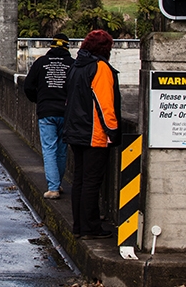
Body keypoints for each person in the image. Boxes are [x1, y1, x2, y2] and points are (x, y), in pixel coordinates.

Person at [63, 29, 120, 239]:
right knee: (91, 182)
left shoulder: (76, 67)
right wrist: (112, 131)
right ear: (105, 49)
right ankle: (91, 227)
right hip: (93, 132)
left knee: (79, 180)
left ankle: (78, 226)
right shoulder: (100, 68)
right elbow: (105, 104)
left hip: (75, 130)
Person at [24, 33, 74, 200]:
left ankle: (53, 188)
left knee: (49, 149)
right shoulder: (72, 65)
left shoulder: (41, 63)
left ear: (51, 46)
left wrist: (39, 100)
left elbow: (28, 86)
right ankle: (57, 183)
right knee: (61, 149)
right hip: (66, 113)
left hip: (46, 112)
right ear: (67, 47)